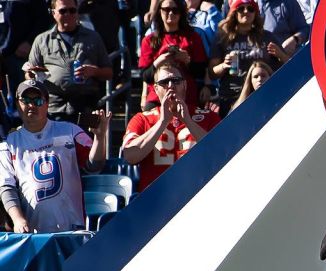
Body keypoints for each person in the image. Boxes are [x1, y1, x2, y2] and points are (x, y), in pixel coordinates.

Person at [1, 79, 106, 232]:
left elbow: (94, 166)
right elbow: (6, 187)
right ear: (18, 104)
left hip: (72, 229)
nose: (31, 105)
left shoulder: (71, 131)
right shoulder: (8, 143)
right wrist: (18, 219)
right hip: (32, 232)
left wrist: (100, 137)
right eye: (26, 100)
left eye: (37, 100)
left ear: (47, 104)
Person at [121, 62, 220, 191]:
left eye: (176, 81)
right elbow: (130, 156)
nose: (171, 86)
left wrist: (188, 121)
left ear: (185, 85)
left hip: (198, 195)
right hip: (156, 198)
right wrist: (162, 122)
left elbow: (220, 152)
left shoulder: (208, 117)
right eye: (164, 82)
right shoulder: (142, 119)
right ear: (156, 89)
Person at [23, 0, 110, 124]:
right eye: (63, 11)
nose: (68, 14)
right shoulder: (42, 40)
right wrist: (32, 75)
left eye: (72, 10)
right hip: (54, 108)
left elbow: (109, 72)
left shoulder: (93, 37)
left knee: (86, 143)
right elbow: (28, 74)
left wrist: (94, 71)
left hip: (86, 105)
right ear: (53, 13)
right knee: (57, 143)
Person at [210, 0, 289, 115]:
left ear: (256, 14)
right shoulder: (222, 38)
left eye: (251, 9)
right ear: (234, 13)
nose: (246, 12)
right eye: (241, 9)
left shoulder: (266, 36)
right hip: (232, 96)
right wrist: (224, 65)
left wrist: (281, 55)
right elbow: (212, 73)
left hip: (264, 95)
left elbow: (288, 65)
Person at [138, 0, 209, 110]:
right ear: (159, 12)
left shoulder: (193, 37)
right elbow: (145, 76)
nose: (170, 13)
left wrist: (187, 61)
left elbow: (201, 72)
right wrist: (158, 62)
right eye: (166, 10)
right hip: (157, 98)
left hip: (187, 97)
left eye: (175, 10)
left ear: (181, 13)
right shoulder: (149, 40)